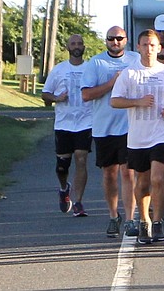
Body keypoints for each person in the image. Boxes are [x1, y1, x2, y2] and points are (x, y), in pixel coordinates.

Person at [110, 29, 164, 245]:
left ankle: (158, 221)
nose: (149, 49)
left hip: (161, 133)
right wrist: (138, 102)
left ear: (159, 48)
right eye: (145, 45)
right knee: (142, 182)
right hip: (138, 136)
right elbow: (115, 101)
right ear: (138, 47)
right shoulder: (129, 73)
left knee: (158, 178)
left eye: (153, 45)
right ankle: (144, 220)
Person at [81, 26, 140, 238]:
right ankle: (114, 215)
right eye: (111, 39)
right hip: (104, 127)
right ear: (106, 41)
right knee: (109, 174)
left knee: (128, 172)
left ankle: (131, 218)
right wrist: (112, 83)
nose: (115, 42)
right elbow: (86, 95)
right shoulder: (95, 63)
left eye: (119, 38)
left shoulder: (135, 59)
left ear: (126, 40)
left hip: (129, 126)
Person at [42, 34, 92, 217]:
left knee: (81, 158)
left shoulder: (90, 68)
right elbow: (45, 94)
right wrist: (56, 98)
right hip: (64, 123)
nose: (77, 46)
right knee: (62, 166)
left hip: (86, 122)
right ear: (67, 47)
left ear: (84, 46)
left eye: (80, 43)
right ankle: (64, 188)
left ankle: (78, 202)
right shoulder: (59, 70)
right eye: (73, 44)